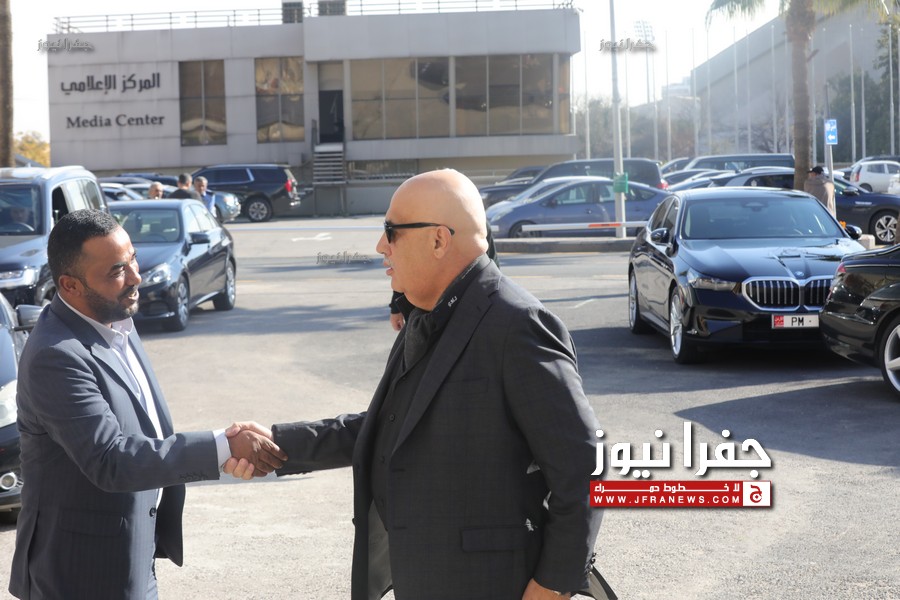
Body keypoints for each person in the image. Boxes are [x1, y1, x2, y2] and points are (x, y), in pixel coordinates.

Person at [228, 169, 603, 600]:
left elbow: (585, 466)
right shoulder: (426, 314)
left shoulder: (517, 324)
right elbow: (390, 425)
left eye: (392, 232)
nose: (380, 246)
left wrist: (553, 585)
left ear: (439, 240)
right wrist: (276, 444)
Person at [9, 210, 287, 599]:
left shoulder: (116, 320)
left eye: (133, 260)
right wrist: (223, 446)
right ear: (70, 285)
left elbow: (145, 431)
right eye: (117, 271)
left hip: (132, 558)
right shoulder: (55, 355)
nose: (136, 277)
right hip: (79, 574)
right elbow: (112, 459)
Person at [389, 222, 499, 331]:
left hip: (467, 307)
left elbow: (491, 268)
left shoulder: (478, 222)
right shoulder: (423, 219)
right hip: (425, 309)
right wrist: (396, 307)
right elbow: (405, 267)